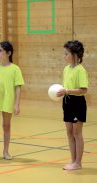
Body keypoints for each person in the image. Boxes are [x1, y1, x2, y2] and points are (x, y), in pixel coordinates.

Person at [57, 40, 88, 170]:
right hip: (67, 102)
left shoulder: (80, 70)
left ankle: (78, 163)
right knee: (69, 133)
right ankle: (73, 161)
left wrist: (67, 91)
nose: (64, 56)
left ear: (75, 55)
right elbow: (66, 86)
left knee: (77, 133)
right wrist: (61, 91)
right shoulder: (66, 69)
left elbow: (83, 90)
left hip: (78, 103)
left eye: (66, 54)